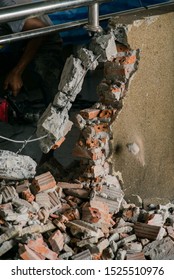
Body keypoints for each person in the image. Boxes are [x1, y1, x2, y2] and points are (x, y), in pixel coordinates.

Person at [0, 0, 64, 105]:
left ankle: (58, 112)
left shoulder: (6, 6)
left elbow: (39, 28)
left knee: (54, 97)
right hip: (21, 41)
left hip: (45, 38)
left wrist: (17, 72)